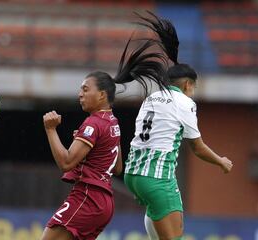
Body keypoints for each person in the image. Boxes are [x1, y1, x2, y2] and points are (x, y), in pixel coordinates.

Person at [41, 38, 171, 240]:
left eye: (85, 89)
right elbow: (117, 167)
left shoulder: (93, 123)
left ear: (102, 95)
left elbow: (66, 162)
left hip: (87, 197)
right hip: (105, 203)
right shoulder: (113, 122)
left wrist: (50, 130)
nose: (80, 95)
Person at [123, 12, 234, 240]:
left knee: (158, 220)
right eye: (193, 87)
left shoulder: (151, 98)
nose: (193, 92)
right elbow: (197, 147)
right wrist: (221, 161)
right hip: (157, 177)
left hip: (133, 173)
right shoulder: (185, 102)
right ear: (187, 85)